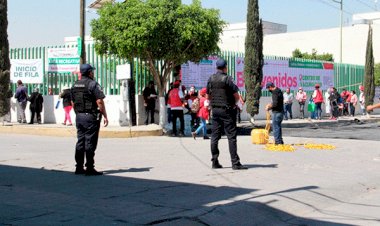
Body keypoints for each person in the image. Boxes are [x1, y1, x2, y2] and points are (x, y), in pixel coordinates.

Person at [206, 58, 247, 170]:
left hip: (215, 111)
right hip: (227, 110)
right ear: (225, 67)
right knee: (231, 137)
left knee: (214, 137)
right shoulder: (227, 79)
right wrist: (235, 105)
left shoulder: (211, 78)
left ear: (216, 67)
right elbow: (237, 96)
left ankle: (214, 162)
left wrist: (211, 104)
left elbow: (208, 96)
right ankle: (235, 163)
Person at [71, 64, 108, 176]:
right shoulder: (93, 84)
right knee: (90, 142)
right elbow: (99, 102)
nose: (93, 73)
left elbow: (73, 102)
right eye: (92, 71)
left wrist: (78, 113)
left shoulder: (75, 85)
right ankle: (90, 168)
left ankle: (79, 167)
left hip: (79, 116)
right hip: (90, 117)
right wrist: (105, 115)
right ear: (89, 72)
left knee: (80, 141)